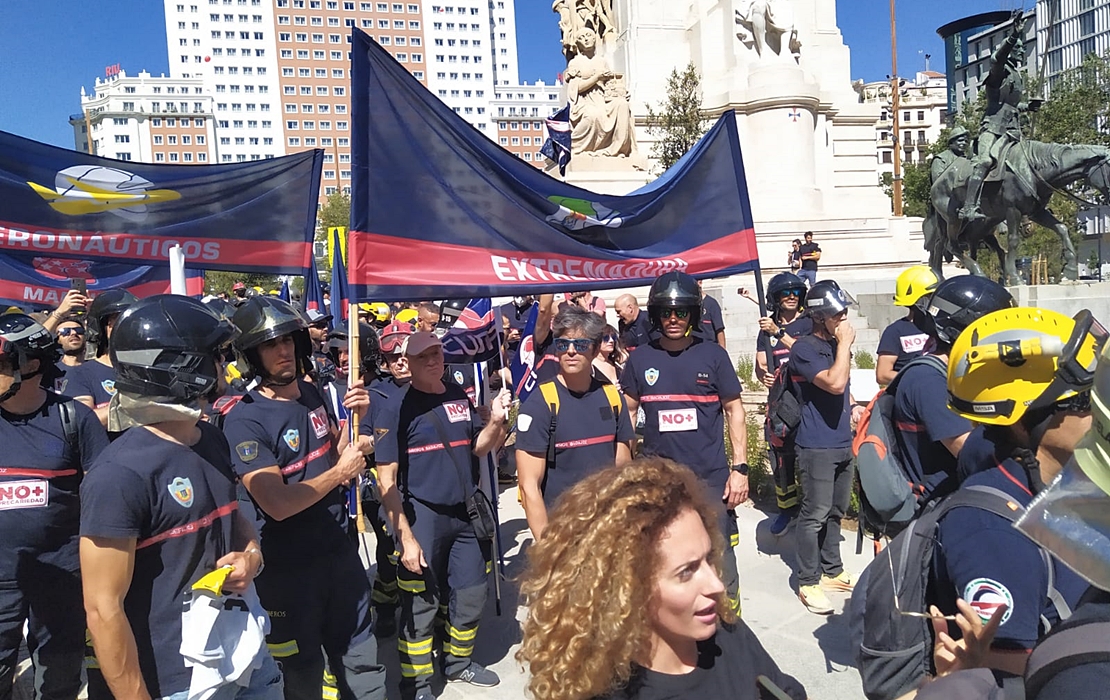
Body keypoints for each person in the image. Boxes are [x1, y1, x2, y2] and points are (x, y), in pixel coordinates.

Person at [79, 295, 281, 700]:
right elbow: (103, 610)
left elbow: (234, 517)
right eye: (215, 356)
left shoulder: (212, 438)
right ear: (179, 369)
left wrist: (251, 556)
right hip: (178, 684)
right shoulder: (118, 475)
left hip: (244, 653)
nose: (226, 365)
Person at [516, 457, 806, 700]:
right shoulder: (604, 692)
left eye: (708, 559)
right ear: (627, 589)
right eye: (686, 572)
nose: (717, 586)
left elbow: (785, 690)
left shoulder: (727, 635)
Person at [221, 296, 386, 700]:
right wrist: (342, 472)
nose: (284, 351)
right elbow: (276, 503)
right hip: (288, 571)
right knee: (300, 674)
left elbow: (333, 451)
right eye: (270, 345)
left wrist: (356, 422)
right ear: (251, 356)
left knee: (361, 657)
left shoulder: (311, 394)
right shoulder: (244, 418)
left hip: (339, 552)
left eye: (289, 340)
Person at [931, 306, 1102, 676]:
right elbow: (1008, 681)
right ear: (1025, 422)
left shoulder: (1071, 484)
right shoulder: (991, 530)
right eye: (1086, 401)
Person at [374, 331, 511, 700]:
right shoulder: (394, 408)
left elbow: (476, 448)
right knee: (420, 606)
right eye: (423, 357)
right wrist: (405, 538)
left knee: (470, 595)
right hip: (423, 517)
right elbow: (385, 478)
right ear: (409, 363)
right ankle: (416, 685)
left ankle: (458, 663)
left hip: (464, 515)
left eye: (437, 353)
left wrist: (497, 422)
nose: (433, 361)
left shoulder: (457, 395)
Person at [621, 271, 749, 617]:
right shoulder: (640, 359)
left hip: (709, 476)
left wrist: (740, 469)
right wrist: (624, 472)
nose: (673, 319)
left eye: (681, 312)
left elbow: (735, 411)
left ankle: (730, 619)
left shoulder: (714, 356)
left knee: (718, 553)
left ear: (693, 314)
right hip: (658, 480)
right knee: (661, 554)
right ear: (656, 315)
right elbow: (627, 416)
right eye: (666, 312)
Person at [0, 313, 108, 700]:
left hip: (62, 577)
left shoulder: (73, 418)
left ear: (30, 365)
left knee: (59, 682)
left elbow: (103, 495)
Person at [888, 275, 1015, 525]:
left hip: (965, 499)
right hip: (941, 512)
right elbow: (971, 455)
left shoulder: (956, 375)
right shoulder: (928, 380)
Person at [516, 307, 635, 539]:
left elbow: (623, 468)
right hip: (563, 533)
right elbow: (529, 486)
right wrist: (547, 548)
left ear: (594, 348)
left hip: (608, 530)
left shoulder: (611, 396)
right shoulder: (541, 402)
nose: (570, 351)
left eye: (580, 345)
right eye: (562, 344)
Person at [790, 279, 862, 615]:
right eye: (838, 315)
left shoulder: (835, 346)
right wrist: (845, 345)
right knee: (814, 515)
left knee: (835, 511)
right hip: (816, 446)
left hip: (841, 442)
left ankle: (832, 570)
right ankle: (807, 580)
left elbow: (845, 388)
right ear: (821, 317)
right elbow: (834, 383)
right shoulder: (803, 349)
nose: (845, 320)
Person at [360, 320, 415, 640]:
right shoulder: (375, 394)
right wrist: (377, 437)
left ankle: (418, 611)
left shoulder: (432, 384)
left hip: (424, 480)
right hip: (388, 485)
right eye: (393, 357)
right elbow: (364, 440)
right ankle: (383, 607)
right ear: (384, 361)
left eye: (405, 354)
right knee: (391, 552)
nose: (400, 361)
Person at [960, 13, 1033, 222]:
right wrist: (1013, 36)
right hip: (991, 128)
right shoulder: (999, 72)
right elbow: (997, 58)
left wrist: (1028, 106)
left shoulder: (1016, 77)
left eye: (1021, 47)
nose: (1022, 51)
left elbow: (1010, 105)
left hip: (1012, 129)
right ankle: (968, 206)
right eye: (1018, 48)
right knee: (984, 160)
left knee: (1030, 162)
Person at [754, 272, 811, 536]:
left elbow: (808, 355)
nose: (791, 297)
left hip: (808, 400)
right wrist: (762, 375)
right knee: (780, 459)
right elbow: (761, 364)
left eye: (796, 292)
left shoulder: (810, 324)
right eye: (785, 293)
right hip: (780, 403)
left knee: (809, 458)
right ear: (774, 299)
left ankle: (811, 510)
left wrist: (779, 332)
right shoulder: (765, 329)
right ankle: (786, 510)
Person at [63, 290, 136, 428]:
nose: (125, 327)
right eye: (118, 320)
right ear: (104, 327)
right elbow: (81, 421)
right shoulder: (82, 374)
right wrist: (134, 404)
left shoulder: (147, 370)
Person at [876, 266, 940, 385]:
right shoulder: (895, 332)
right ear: (919, 300)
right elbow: (883, 374)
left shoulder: (944, 328)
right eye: (932, 296)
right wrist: (920, 379)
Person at [53, 319, 86, 395]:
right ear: (58, 340)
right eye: (65, 331)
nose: (74, 333)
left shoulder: (97, 369)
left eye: (79, 330)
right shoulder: (52, 371)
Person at [692, 281, 726, 348]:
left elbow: (719, 330)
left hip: (709, 347)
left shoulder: (712, 303)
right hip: (693, 347)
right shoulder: (688, 304)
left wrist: (722, 352)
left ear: (700, 283)